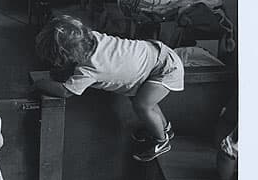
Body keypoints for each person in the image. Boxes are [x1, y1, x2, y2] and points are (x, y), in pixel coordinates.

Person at [33, 15, 184, 162]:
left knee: (142, 105)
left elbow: (65, 91)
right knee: (143, 99)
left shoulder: (89, 71)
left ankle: (161, 141)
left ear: (68, 55)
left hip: (165, 68)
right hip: (157, 54)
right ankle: (164, 128)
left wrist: (40, 84)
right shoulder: (95, 37)